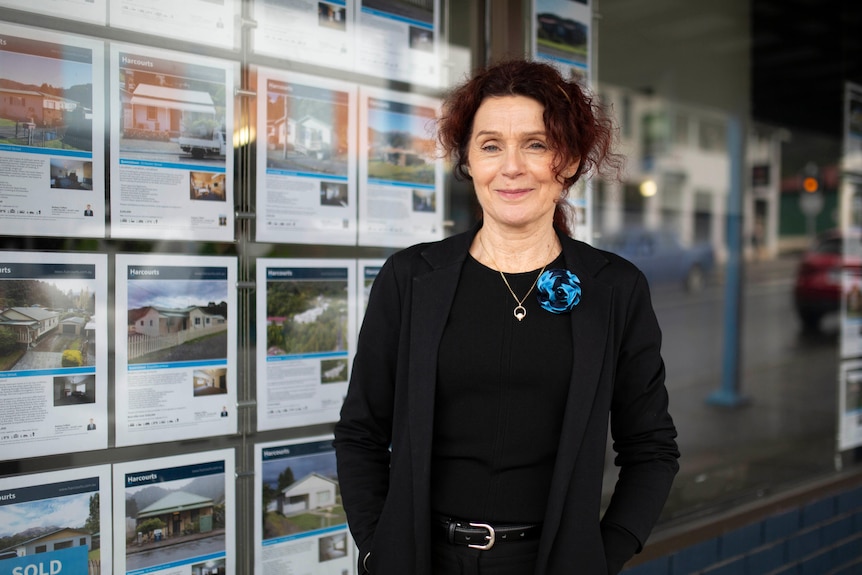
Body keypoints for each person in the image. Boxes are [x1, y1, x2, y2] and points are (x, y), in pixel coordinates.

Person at [333, 59, 679, 575]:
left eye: (535, 144)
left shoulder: (614, 288)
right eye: (491, 145)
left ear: (568, 161)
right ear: (469, 160)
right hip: (420, 560)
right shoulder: (410, 278)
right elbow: (361, 432)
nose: (511, 166)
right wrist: (375, 547)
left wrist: (603, 556)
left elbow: (651, 448)